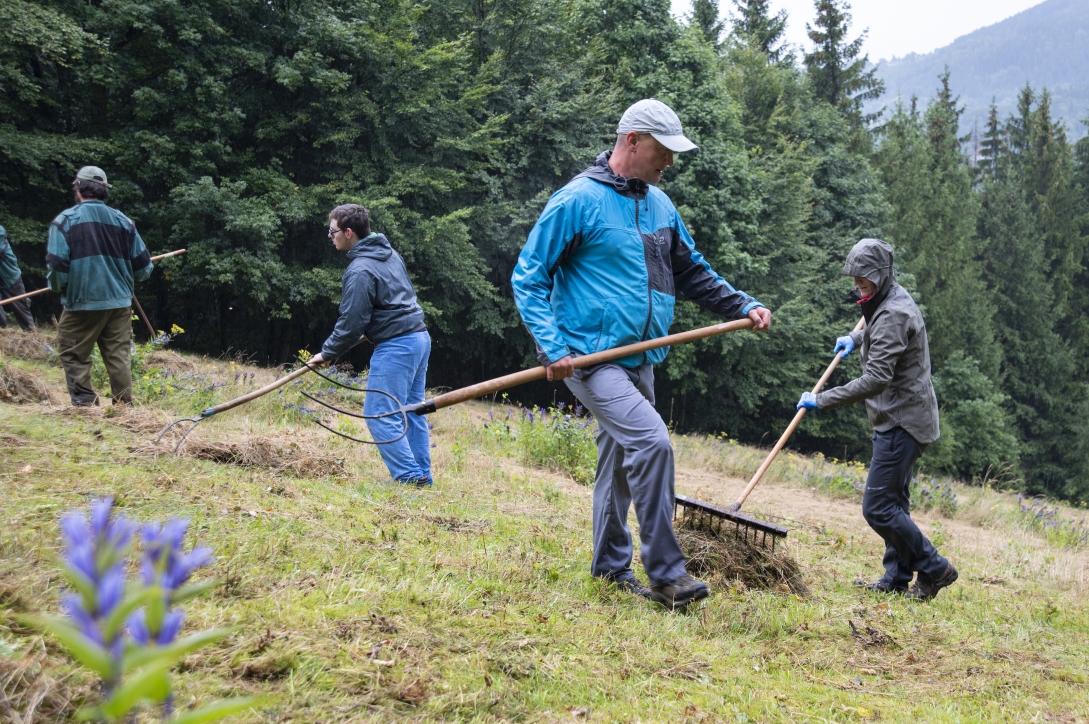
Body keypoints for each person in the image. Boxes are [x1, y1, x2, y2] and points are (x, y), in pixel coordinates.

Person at [512, 99, 772, 610]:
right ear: (632, 140)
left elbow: (691, 271)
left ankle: (610, 568)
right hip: (590, 356)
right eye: (663, 151)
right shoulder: (577, 201)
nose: (670, 162)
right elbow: (529, 275)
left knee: (619, 464)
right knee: (652, 443)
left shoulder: (660, 206)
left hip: (642, 356)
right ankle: (667, 574)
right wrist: (552, 346)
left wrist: (743, 302)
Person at [797, 238, 957, 601]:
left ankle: (935, 567)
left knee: (878, 507)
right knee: (894, 503)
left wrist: (820, 400)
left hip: (904, 420)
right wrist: (855, 337)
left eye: (864, 281)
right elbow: (875, 325)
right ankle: (897, 578)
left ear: (881, 276)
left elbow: (875, 379)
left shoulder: (895, 312)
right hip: (897, 417)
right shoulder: (887, 299)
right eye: (855, 281)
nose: (858, 287)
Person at [308, 204, 433, 488]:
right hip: (419, 338)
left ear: (348, 233)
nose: (330, 236)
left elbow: (352, 322)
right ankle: (421, 476)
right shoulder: (389, 254)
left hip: (398, 345)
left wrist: (327, 353)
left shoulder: (360, 269)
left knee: (379, 411)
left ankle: (411, 478)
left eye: (333, 231)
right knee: (411, 411)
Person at [46, 166, 153, 406]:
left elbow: (57, 271)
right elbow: (144, 270)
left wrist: (55, 286)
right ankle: (124, 407)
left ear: (79, 187)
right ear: (104, 191)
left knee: (72, 353)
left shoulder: (64, 222)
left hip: (81, 305)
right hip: (119, 304)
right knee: (118, 357)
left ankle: (85, 404)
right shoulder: (124, 222)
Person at [0, 224, 36, 331]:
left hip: (10, 278)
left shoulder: (0, 231)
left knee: (22, 310)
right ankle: (2, 335)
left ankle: (34, 338)